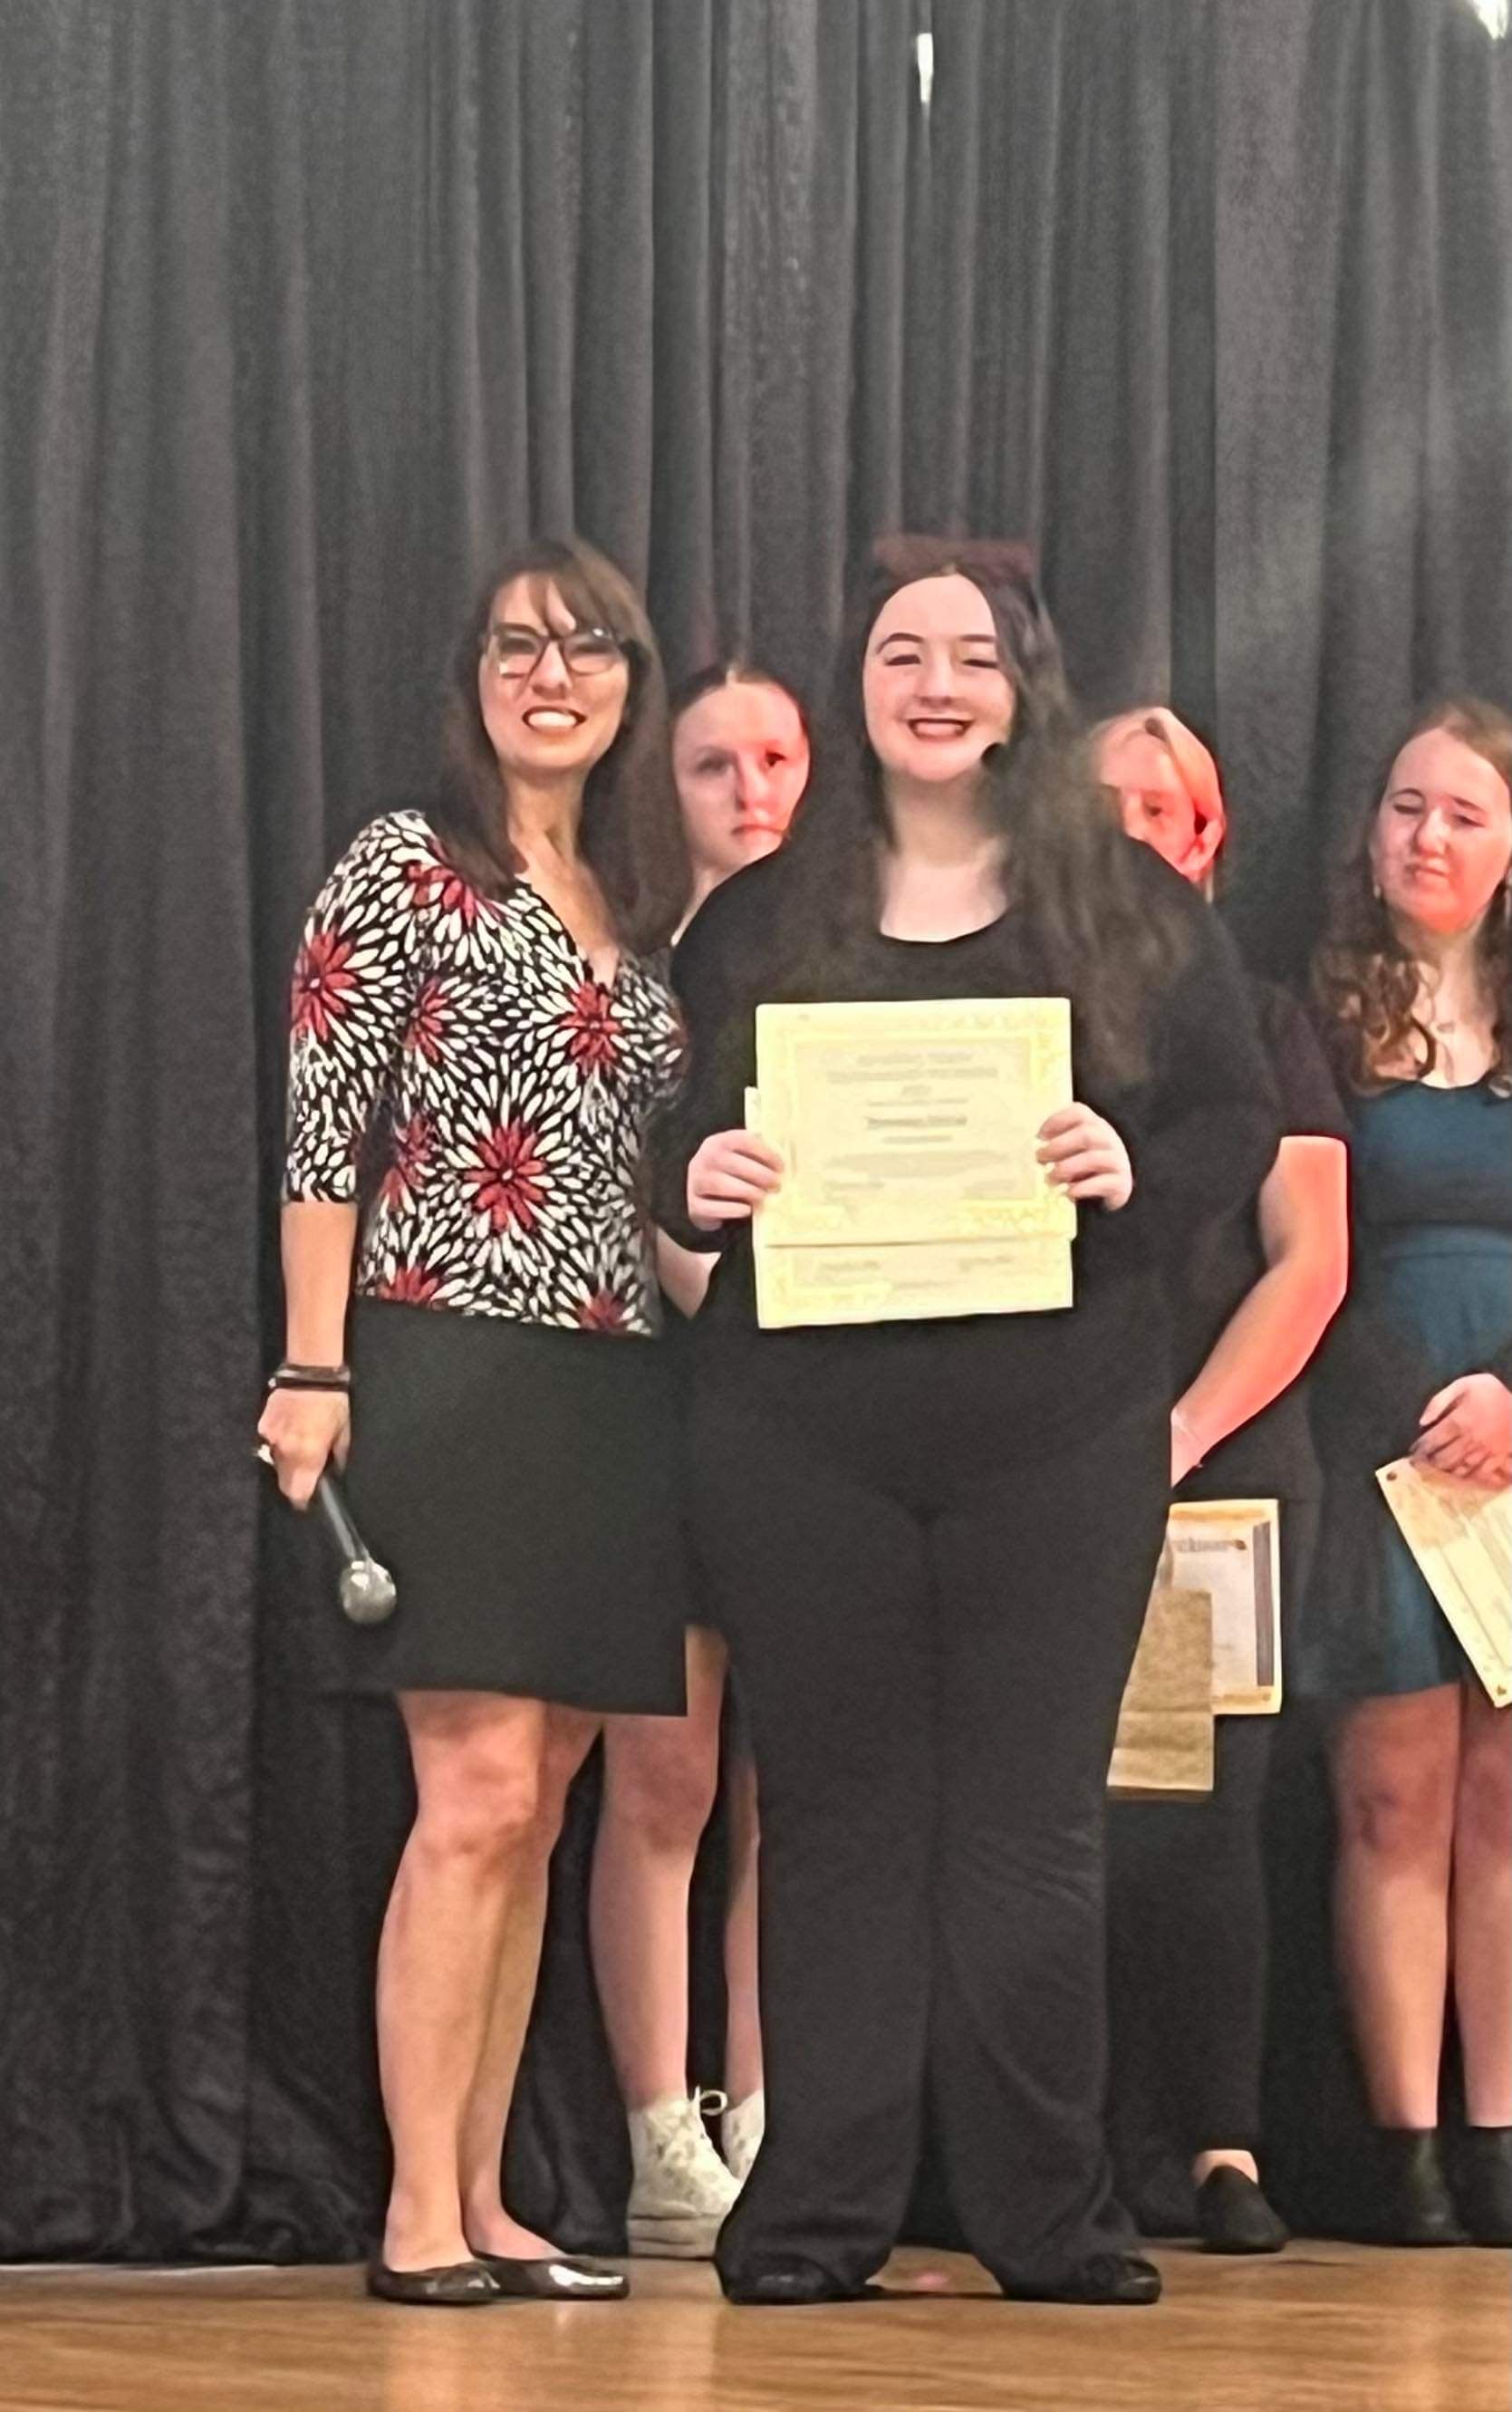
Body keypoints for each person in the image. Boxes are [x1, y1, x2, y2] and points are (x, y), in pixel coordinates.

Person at [656, 536, 1282, 2307]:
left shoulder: (1134, 912)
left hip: (1057, 1433)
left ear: (1025, 689)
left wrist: (1127, 1167)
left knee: (1030, 1821)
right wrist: (694, 1177)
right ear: (856, 682)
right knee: (840, 1817)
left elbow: (1233, 1126)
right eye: (900, 650)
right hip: (801, 1436)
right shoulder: (766, 913)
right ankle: (815, 2212)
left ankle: (1046, 2212)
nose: (936, 681)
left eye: (974, 655)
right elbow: (665, 1140)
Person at [259, 535, 691, 2306]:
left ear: (629, 685)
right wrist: (309, 1366)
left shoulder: (641, 899)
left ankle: (494, 2191)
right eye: (520, 642)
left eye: (589, 645)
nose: (553, 670)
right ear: (474, 674)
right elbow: (320, 1126)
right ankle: (414, 2212)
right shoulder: (400, 866)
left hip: (615, 1375)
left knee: (549, 1793)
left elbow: (660, 1172)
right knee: (476, 1787)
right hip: (439, 1355)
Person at [1095, 709, 1350, 2253]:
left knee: (1206, 1815)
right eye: (1100, 808)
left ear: (1208, 846)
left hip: (1218, 1476)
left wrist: (1176, 1437)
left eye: (1161, 812)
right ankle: (1079, 2138)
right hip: (1045, 1475)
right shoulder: (1010, 1009)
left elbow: (1307, 1264)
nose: (1132, 835)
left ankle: (1216, 2144)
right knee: (1052, 1816)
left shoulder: (1260, 1020)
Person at [590, 662, 810, 2253]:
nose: (750, 790)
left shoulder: (859, 962)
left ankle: (775, 2114)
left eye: (778, 758)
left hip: (820, 1417)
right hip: (657, 1411)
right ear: (661, 789)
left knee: (788, 1793)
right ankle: (662, 2131)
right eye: (713, 762)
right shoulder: (635, 974)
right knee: (662, 1780)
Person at [1305, 697, 1512, 2247]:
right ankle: (1405, 2144)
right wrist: (1416, 1419)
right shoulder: (1313, 1012)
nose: (1426, 838)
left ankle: (1498, 2128)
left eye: (1460, 813)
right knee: (1390, 1795)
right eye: (1402, 808)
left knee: (1501, 1800)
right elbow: (1295, 1245)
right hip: (1376, 1440)